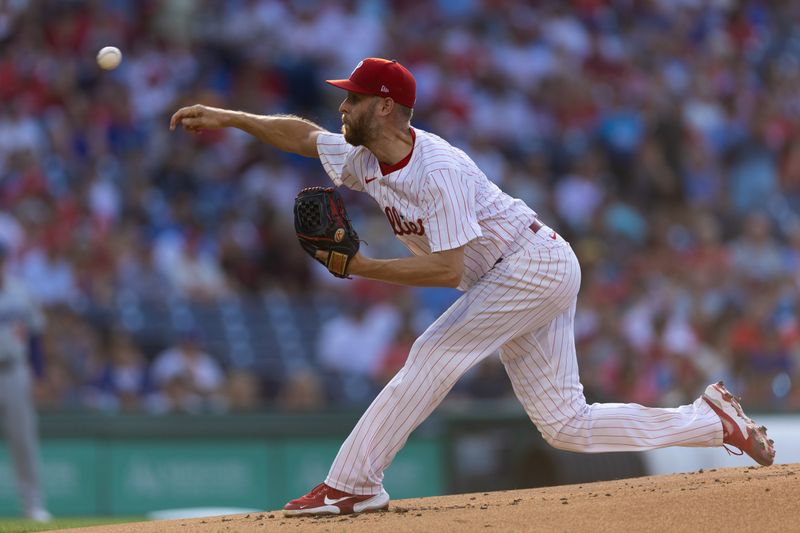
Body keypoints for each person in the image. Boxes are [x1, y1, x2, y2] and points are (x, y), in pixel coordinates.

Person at [170, 57, 776, 517]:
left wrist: (361, 268)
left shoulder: (441, 171)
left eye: (352, 98)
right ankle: (710, 420)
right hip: (518, 272)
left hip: (528, 264)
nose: (342, 108)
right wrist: (232, 118)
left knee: (434, 353)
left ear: (384, 107)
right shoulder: (363, 156)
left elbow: (447, 272)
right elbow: (302, 138)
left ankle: (353, 485)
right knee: (565, 425)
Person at [0, 244, 52, 522]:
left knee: (23, 440)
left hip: (13, 370)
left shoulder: (20, 291)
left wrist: (40, 374)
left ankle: (33, 505)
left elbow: (35, 336)